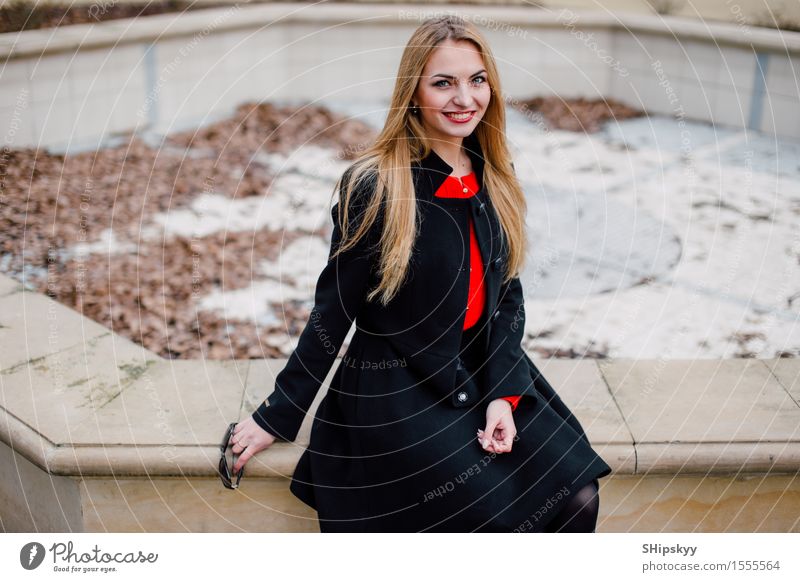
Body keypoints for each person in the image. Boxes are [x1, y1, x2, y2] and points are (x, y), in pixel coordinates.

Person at [227, 14, 612, 532]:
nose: (464, 98)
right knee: (479, 513)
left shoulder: (494, 174)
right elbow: (333, 311)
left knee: (578, 496)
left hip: (482, 371)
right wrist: (277, 414)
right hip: (397, 387)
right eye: (443, 83)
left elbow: (507, 297)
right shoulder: (377, 185)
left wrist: (504, 394)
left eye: (477, 80)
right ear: (413, 93)